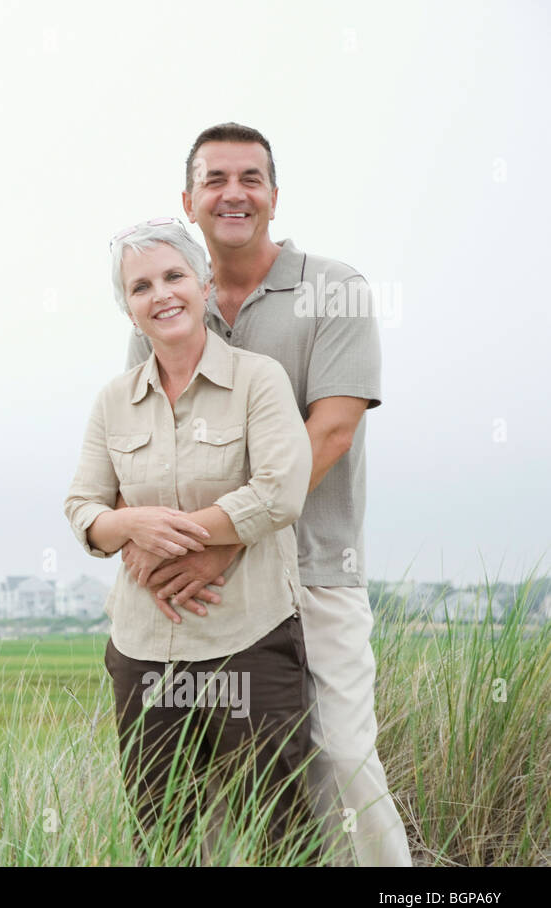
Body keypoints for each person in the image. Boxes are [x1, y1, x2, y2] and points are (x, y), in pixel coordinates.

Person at [120, 123, 412, 867]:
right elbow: (141, 431)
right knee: (223, 784)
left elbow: (333, 431)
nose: (233, 193)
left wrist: (222, 541)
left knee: (343, 758)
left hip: (314, 569)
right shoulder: (166, 302)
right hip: (206, 591)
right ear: (188, 200)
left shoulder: (335, 290)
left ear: (274, 197)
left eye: (250, 178)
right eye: (215, 179)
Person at [64, 218, 313, 853]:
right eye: (141, 286)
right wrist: (127, 525)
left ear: (203, 282)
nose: (161, 294)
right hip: (144, 650)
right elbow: (82, 506)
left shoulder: (260, 379)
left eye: (174, 276)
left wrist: (175, 536)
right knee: (164, 837)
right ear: (128, 308)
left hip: (249, 640)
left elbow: (280, 490)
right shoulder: (113, 400)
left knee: (279, 834)